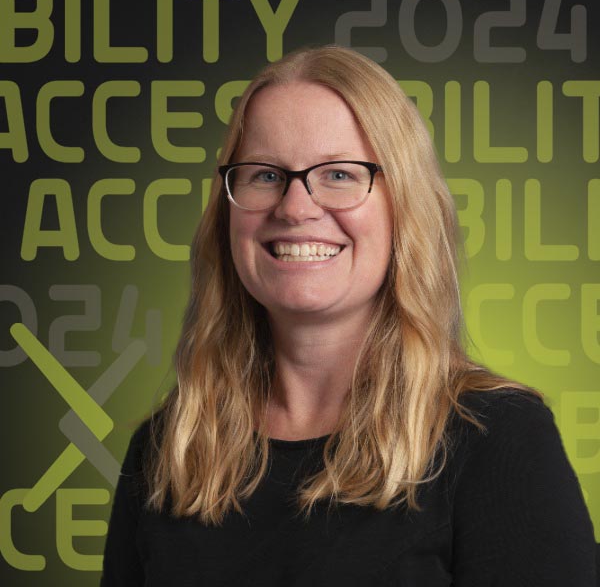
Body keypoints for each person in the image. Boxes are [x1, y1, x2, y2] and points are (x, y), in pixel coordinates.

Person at [100, 45, 598, 586]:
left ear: (403, 207)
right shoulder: (167, 450)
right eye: (265, 175)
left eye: (338, 174)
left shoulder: (498, 439)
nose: (294, 208)